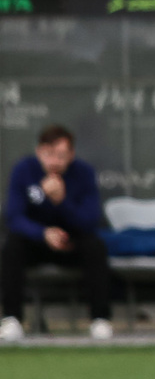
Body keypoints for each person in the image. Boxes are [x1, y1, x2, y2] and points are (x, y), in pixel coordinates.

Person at [1, 123, 113, 341]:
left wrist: (62, 201)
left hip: (71, 242)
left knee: (95, 246)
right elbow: (14, 217)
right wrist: (43, 233)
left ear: (71, 155)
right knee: (12, 246)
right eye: (49, 154)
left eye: (61, 155)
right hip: (37, 242)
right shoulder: (24, 170)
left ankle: (100, 320)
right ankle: (11, 320)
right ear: (39, 152)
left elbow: (90, 220)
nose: (54, 162)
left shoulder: (84, 173)